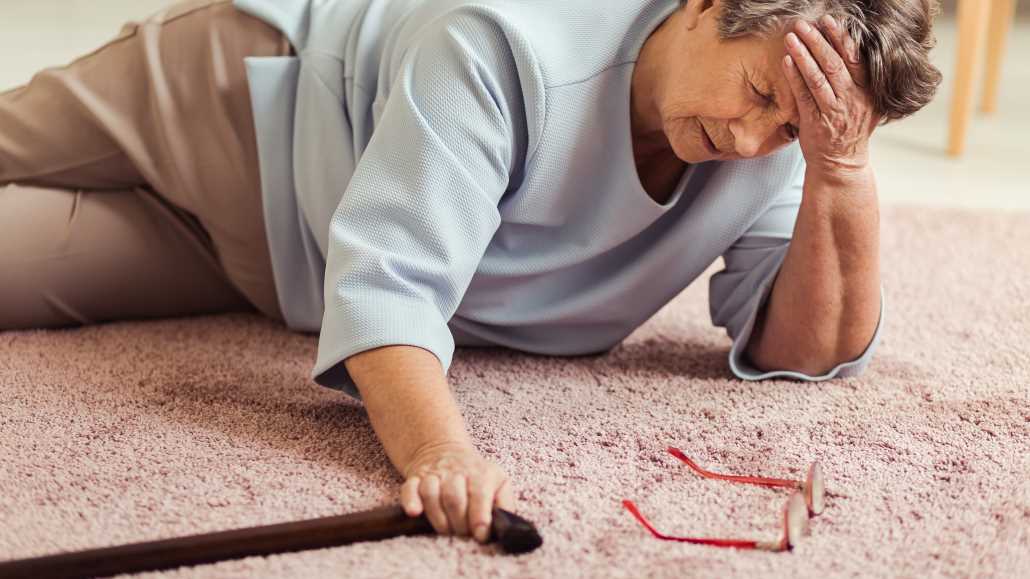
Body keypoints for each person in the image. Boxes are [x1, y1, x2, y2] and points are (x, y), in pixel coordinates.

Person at [0, 0, 940, 546]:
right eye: (760, 91)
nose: (746, 138)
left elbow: (806, 349)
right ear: (702, 6)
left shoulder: (780, 152)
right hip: (236, 102)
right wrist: (440, 452)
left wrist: (838, 168)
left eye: (790, 127)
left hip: (275, 261)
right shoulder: (505, 45)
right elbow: (392, 289)